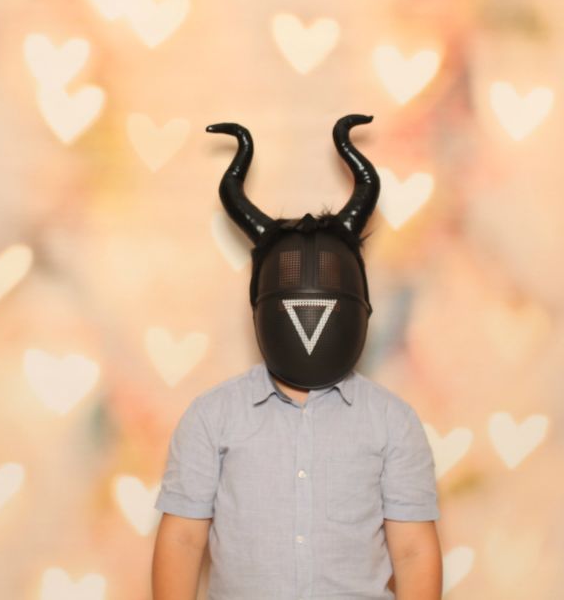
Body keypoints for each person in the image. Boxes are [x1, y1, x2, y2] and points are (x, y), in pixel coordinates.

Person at [151, 115, 442, 600]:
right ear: (260, 306)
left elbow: (413, 550)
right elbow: (182, 538)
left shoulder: (393, 423)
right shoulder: (212, 417)